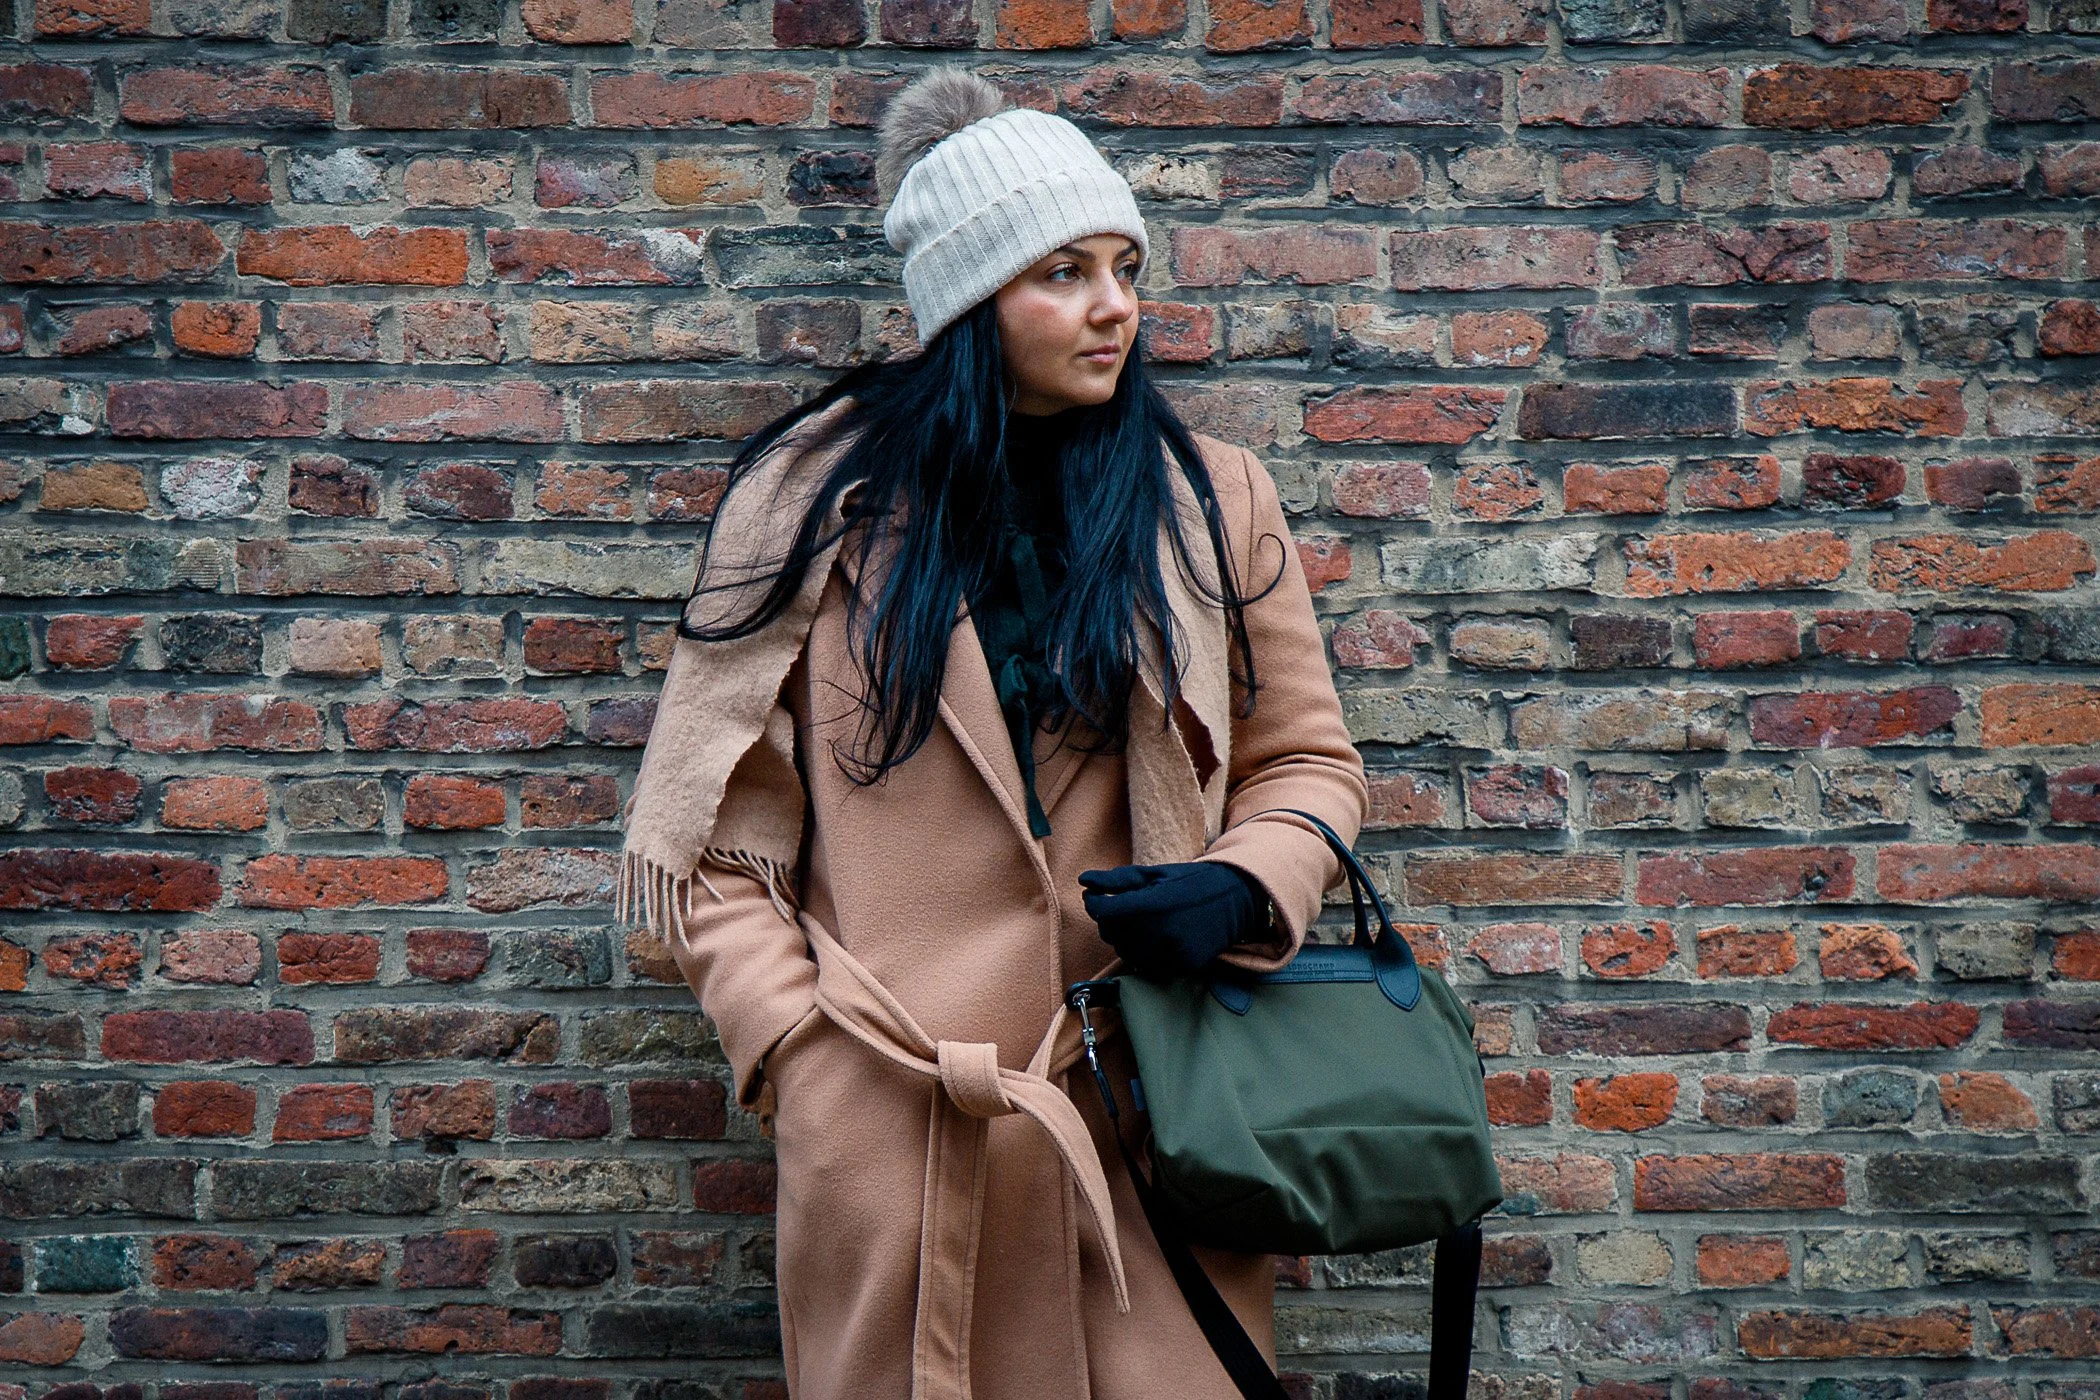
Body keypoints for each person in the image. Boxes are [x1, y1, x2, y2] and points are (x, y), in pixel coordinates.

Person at [616, 65, 1369, 1400]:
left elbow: (1307, 757)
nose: (1116, 306)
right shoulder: (811, 509)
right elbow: (721, 844)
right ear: (970, 299)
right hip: (903, 1132)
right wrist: (806, 1062)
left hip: (1155, 1115)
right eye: (1065, 272)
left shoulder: (1210, 500)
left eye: (1125, 265)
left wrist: (1245, 884)